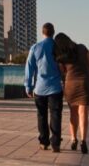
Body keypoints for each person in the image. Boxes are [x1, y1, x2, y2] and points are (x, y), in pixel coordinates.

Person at [24, 22, 64, 152]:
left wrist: (28, 86)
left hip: (40, 88)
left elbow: (29, 68)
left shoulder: (35, 48)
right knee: (56, 115)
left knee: (41, 115)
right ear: (53, 33)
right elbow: (64, 67)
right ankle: (56, 143)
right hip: (55, 88)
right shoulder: (58, 48)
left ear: (43, 32)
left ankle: (44, 142)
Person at [56, 32, 89, 155]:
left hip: (70, 85)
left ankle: (73, 139)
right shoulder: (82, 48)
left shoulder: (61, 56)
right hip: (85, 83)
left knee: (73, 114)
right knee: (83, 114)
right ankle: (84, 141)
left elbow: (62, 72)